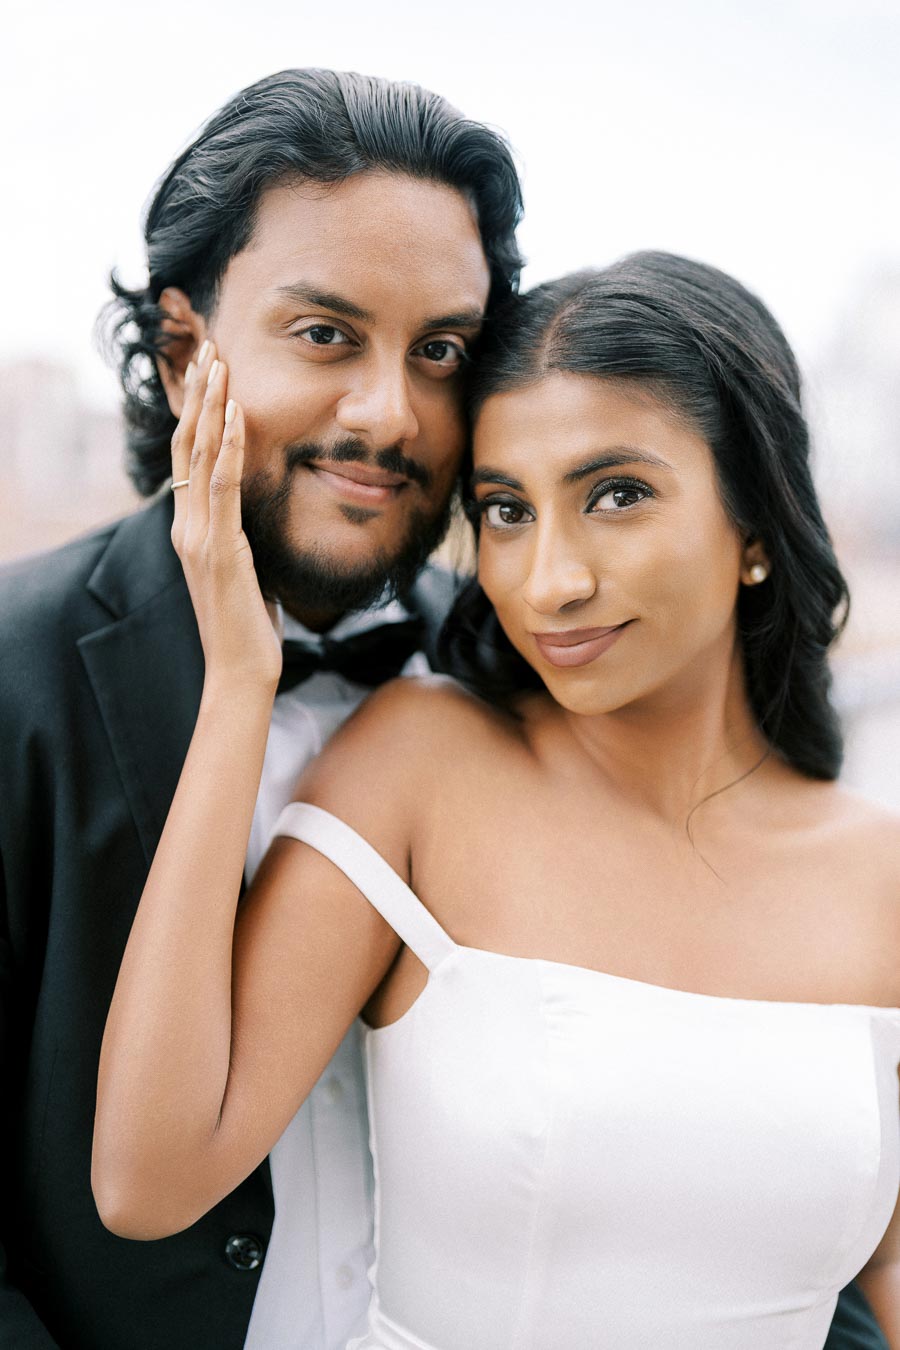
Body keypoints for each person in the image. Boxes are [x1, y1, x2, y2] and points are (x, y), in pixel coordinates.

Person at [93, 250, 900, 1349]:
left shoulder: (879, 876)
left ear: (756, 526)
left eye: (616, 496)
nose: (548, 581)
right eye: (506, 511)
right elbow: (148, 1176)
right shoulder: (421, 766)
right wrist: (240, 683)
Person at [0, 68, 523, 1350]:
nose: (389, 414)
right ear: (188, 354)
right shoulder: (12, 674)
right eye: (326, 334)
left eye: (441, 351)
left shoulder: (531, 674)